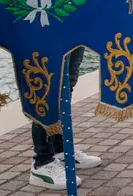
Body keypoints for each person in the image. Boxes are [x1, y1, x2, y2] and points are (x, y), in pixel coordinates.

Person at [28, 47, 102, 190]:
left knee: (68, 81)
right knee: (47, 85)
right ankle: (42, 161)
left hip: (74, 26)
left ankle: (59, 148)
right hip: (47, 29)